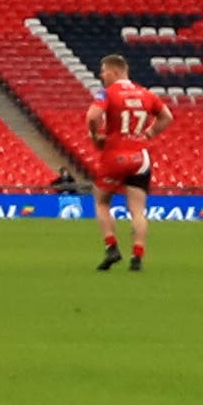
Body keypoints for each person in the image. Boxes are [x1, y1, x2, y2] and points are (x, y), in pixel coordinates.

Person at [84, 53, 169, 273]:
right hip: (140, 156)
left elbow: (92, 116)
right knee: (138, 210)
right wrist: (148, 135)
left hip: (115, 153)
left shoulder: (107, 93)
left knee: (102, 202)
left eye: (103, 71)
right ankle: (137, 257)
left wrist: (95, 136)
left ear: (114, 71)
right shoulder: (145, 93)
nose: (101, 76)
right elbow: (166, 116)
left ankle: (111, 246)